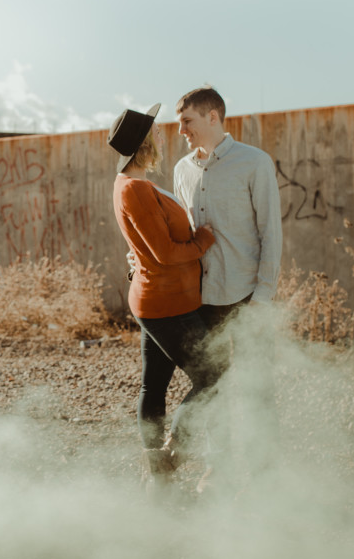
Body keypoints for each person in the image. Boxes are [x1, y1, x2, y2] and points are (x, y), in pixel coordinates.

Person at [107, 103, 217, 492]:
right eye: (152, 135)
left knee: (153, 385)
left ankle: (157, 474)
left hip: (157, 299)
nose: (159, 139)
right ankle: (172, 454)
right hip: (167, 304)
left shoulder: (132, 183)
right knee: (213, 376)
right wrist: (204, 239)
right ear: (142, 145)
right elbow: (165, 253)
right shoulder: (135, 188)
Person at [172, 85, 282, 331]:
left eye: (187, 121)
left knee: (254, 370)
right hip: (200, 298)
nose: (181, 131)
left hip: (247, 295)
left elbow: (271, 232)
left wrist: (263, 297)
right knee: (211, 371)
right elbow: (181, 232)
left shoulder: (255, 162)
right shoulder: (181, 170)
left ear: (212, 117)